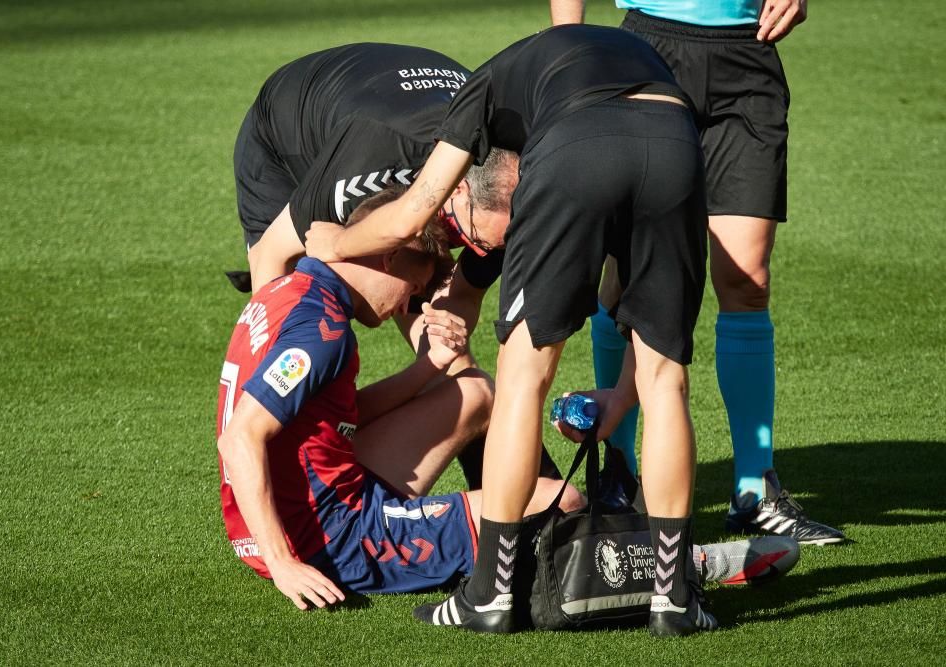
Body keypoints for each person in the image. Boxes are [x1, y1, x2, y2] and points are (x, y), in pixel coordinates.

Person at [305, 25, 716, 636]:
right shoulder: (628, 61)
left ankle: (490, 595)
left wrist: (335, 239)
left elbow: (419, 206)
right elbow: (622, 280)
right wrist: (618, 395)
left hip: (575, 144)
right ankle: (673, 598)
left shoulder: (485, 82)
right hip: (677, 145)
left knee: (524, 376)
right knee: (665, 381)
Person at [549, 0, 847, 545]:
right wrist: (570, 52)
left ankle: (756, 492)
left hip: (748, 54)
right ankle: (619, 473)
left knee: (747, 278)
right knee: (625, 273)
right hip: (646, 55)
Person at [215, 189, 585, 609]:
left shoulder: (288, 291)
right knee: (563, 501)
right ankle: (502, 525)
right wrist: (283, 563)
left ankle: (497, 503)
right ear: (389, 260)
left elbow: (335, 416)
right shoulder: (322, 332)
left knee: (475, 392)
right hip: (332, 538)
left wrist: (428, 367)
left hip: (288, 514)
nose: (406, 305)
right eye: (413, 288)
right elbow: (239, 438)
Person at [232, 43, 565, 488]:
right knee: (307, 305)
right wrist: (266, 412)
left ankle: (506, 483)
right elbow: (275, 256)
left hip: (413, 138)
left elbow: (458, 301)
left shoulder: (513, 197)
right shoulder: (371, 161)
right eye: (470, 240)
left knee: (446, 347)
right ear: (457, 193)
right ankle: (280, 461)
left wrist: (447, 360)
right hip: (290, 137)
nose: (474, 251)